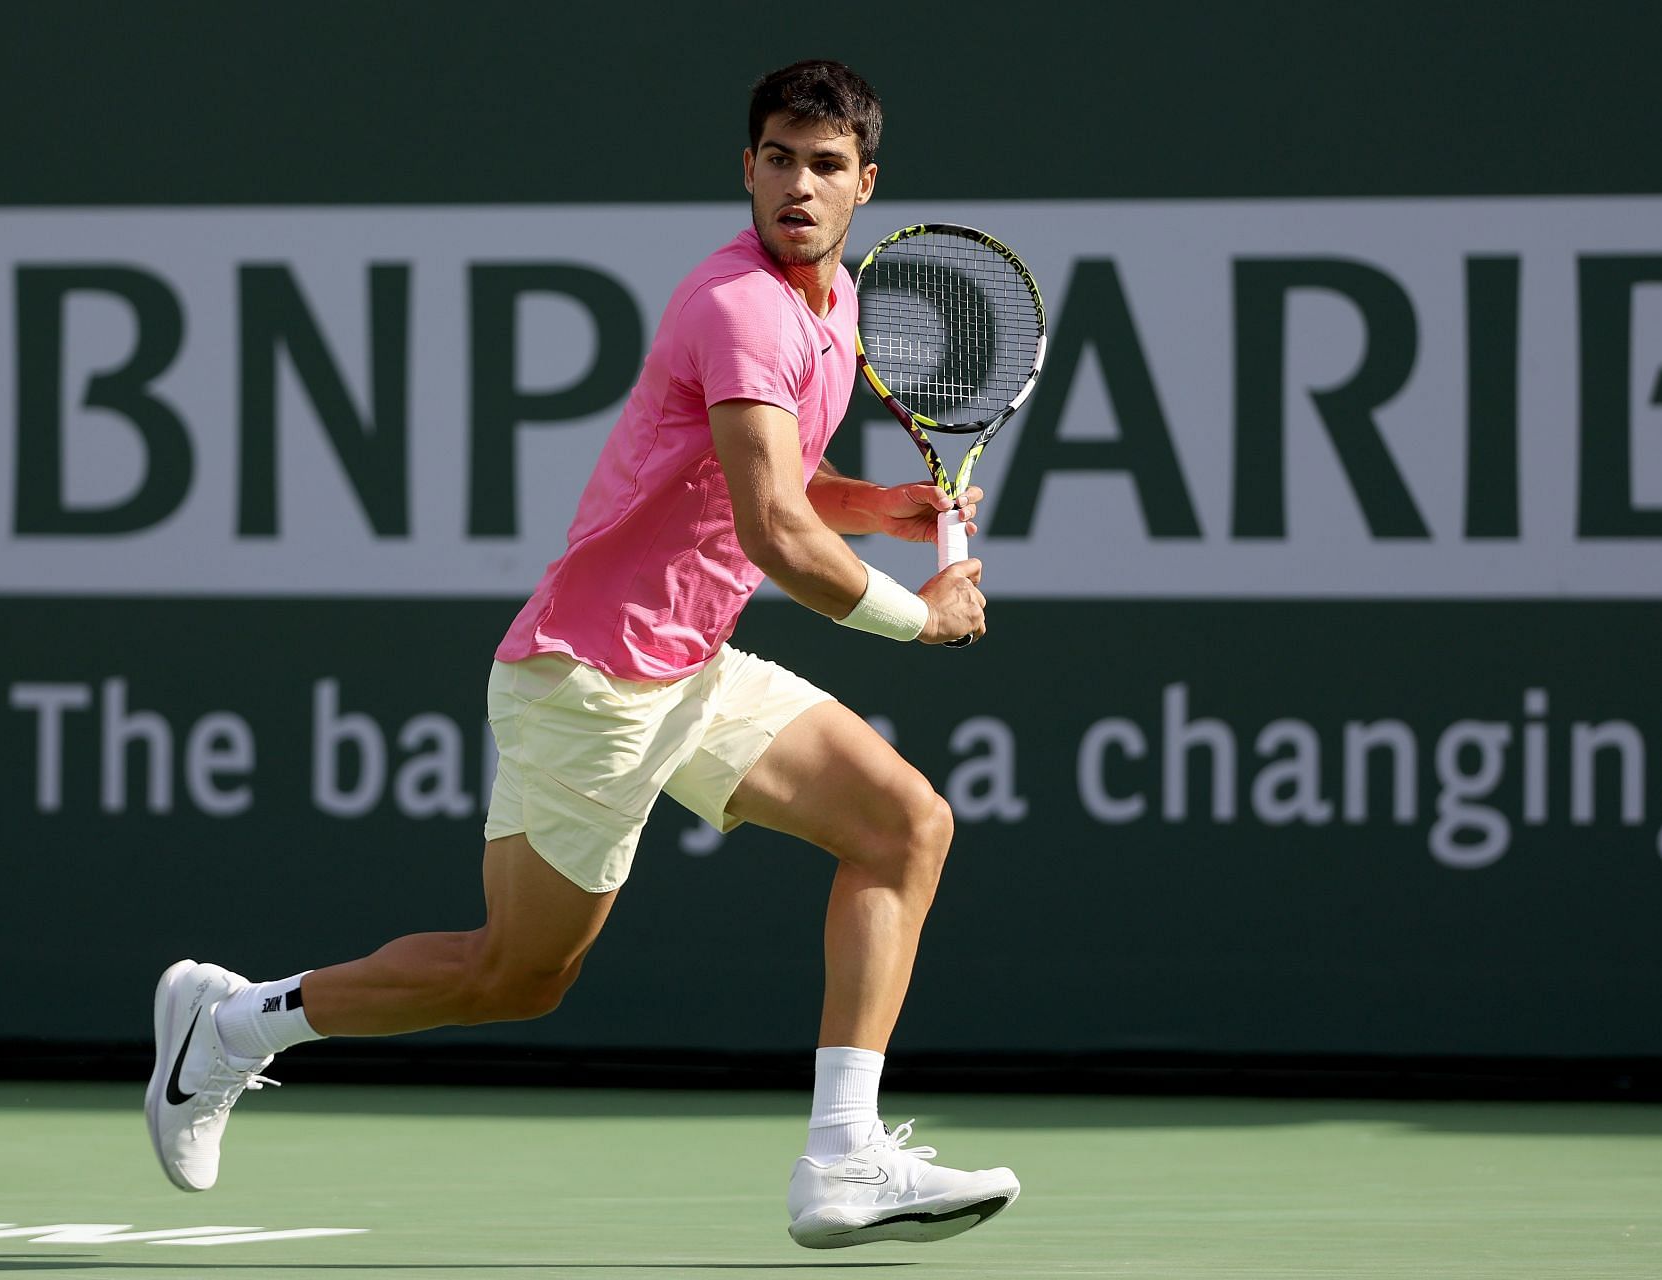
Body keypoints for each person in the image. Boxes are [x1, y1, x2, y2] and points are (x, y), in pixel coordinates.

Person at [146, 58, 1019, 1250]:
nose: (799, 186)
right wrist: (922, 617)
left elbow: (772, 483)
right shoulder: (739, 304)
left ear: (866, 184)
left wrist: (884, 507)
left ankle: (842, 1156)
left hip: (692, 662)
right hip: (593, 675)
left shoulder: (834, 305)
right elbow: (772, 528)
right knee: (514, 974)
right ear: (747, 168)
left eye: (826, 166)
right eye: (778, 158)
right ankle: (236, 1024)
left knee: (904, 825)